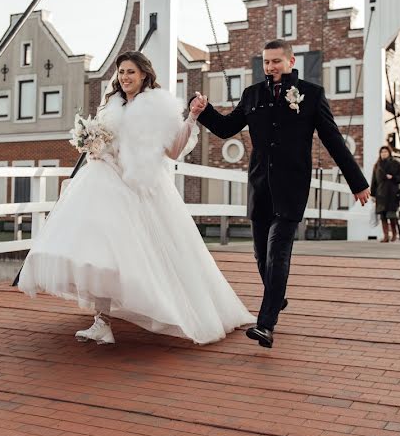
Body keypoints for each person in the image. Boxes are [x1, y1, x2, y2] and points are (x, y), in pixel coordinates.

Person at [17, 51, 254, 345]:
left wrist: (192, 117)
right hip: (105, 180)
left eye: (130, 71)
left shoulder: (159, 107)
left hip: (142, 188)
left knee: (162, 255)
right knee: (98, 248)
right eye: (121, 72)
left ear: (143, 74)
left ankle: (174, 305)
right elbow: (107, 143)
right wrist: (93, 145)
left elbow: (174, 151)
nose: (124, 77)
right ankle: (101, 321)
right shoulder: (111, 106)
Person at [191, 39, 370, 348]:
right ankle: (277, 297)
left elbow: (333, 140)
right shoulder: (252, 95)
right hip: (260, 186)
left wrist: (357, 182)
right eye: (266, 62)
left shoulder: (311, 95)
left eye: (276, 61)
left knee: (278, 253)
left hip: (292, 186)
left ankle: (266, 324)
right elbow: (225, 128)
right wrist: (204, 111)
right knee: (261, 254)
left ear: (290, 61)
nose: (270, 67)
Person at [370, 145, 400, 242]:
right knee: (383, 215)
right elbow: (374, 181)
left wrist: (393, 177)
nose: (383, 154)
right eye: (382, 152)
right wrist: (372, 194)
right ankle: (386, 236)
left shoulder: (396, 164)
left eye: (385, 152)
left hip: (392, 193)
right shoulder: (377, 165)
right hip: (380, 194)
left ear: (389, 153)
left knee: (392, 215)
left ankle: (394, 234)